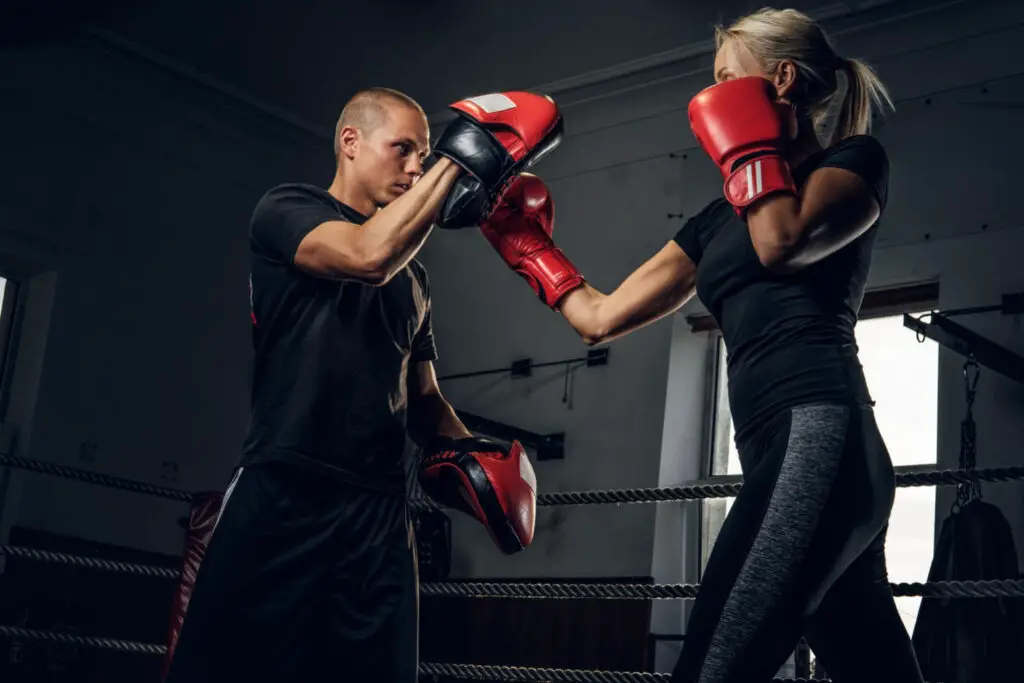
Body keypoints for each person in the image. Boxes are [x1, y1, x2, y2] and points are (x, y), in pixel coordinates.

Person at [477, 8, 926, 683]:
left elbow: (782, 243)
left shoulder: (854, 164)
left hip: (820, 439)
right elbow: (598, 317)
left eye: (724, 79)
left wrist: (751, 142)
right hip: (792, 458)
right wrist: (526, 244)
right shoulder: (719, 218)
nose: (710, 95)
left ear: (780, 79)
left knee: (712, 667)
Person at [161, 87, 558, 683]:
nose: (416, 166)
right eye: (403, 149)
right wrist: (463, 156)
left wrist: (479, 462)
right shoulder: (286, 209)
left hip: (378, 513)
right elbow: (367, 254)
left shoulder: (416, 278)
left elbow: (423, 401)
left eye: (423, 155)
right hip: (285, 489)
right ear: (350, 143)